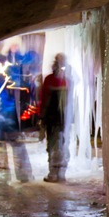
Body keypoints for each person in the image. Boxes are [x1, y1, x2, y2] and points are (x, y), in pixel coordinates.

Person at [39, 53, 73, 182]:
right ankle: (60, 173)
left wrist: (42, 116)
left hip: (53, 118)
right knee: (62, 144)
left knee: (54, 145)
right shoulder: (68, 80)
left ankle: (54, 173)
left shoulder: (50, 79)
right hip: (63, 118)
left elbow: (44, 99)